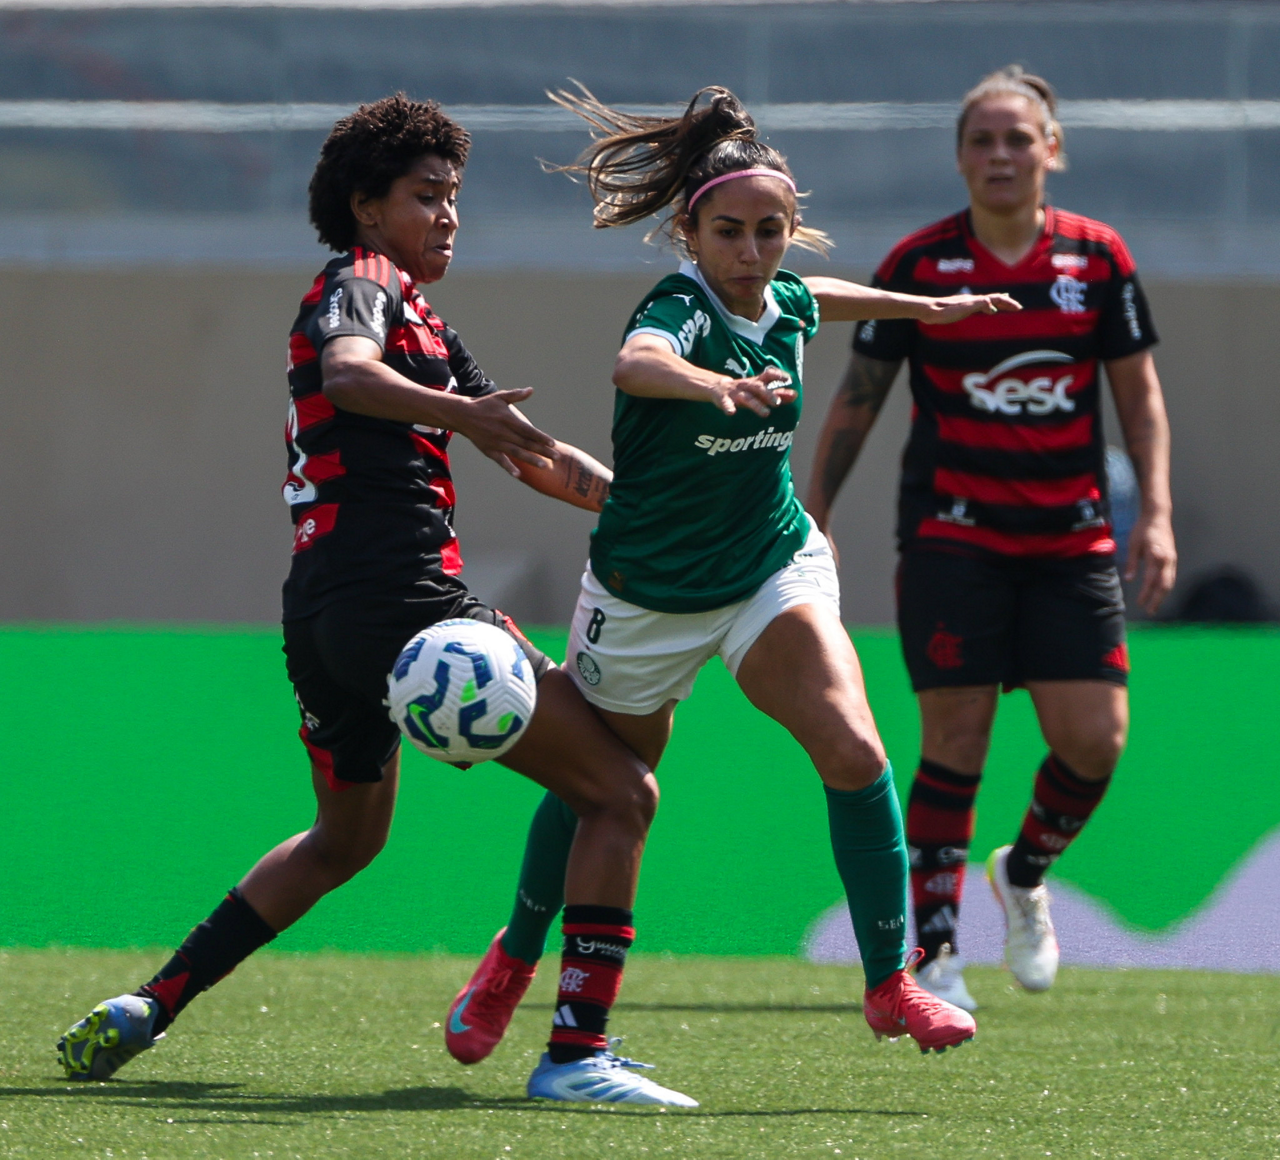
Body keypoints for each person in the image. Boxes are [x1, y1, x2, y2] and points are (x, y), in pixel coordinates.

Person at [56, 94, 697, 1109]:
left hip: (325, 617)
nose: (447, 215)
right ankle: (576, 1054)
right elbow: (350, 376)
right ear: (366, 206)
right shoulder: (359, 283)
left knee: (344, 840)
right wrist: (457, 413)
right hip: (403, 599)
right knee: (622, 792)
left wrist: (648, 509)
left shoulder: (425, 320)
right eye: (425, 195)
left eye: (453, 196)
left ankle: (151, 1001)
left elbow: (526, 450)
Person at [441, 85, 1020, 1070]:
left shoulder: (782, 295)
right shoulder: (675, 308)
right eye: (729, 232)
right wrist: (717, 383)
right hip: (646, 594)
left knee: (854, 747)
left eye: (769, 231)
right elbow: (635, 363)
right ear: (688, 231)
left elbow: (816, 297)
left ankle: (891, 980)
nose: (751, 252)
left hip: (766, 564)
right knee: (601, 788)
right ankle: (514, 956)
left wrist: (927, 307)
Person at [806, 66, 1177, 1010]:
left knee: (1095, 742)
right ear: (961, 157)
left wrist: (1158, 513)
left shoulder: (1098, 259)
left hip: (1071, 541)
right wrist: (817, 511)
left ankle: (1024, 871)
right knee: (956, 739)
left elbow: (1138, 397)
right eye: (982, 140)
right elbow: (859, 396)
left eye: (1019, 139)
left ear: (1052, 150)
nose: (1000, 155)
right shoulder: (919, 265)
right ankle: (935, 953)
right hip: (952, 537)